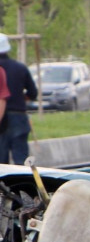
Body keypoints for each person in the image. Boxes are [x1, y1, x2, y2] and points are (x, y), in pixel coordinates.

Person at [0, 34, 38, 165]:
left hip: (1, 118)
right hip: (19, 117)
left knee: (1, 164)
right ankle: (23, 185)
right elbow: (33, 93)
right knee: (21, 162)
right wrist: (20, 98)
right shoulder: (20, 68)